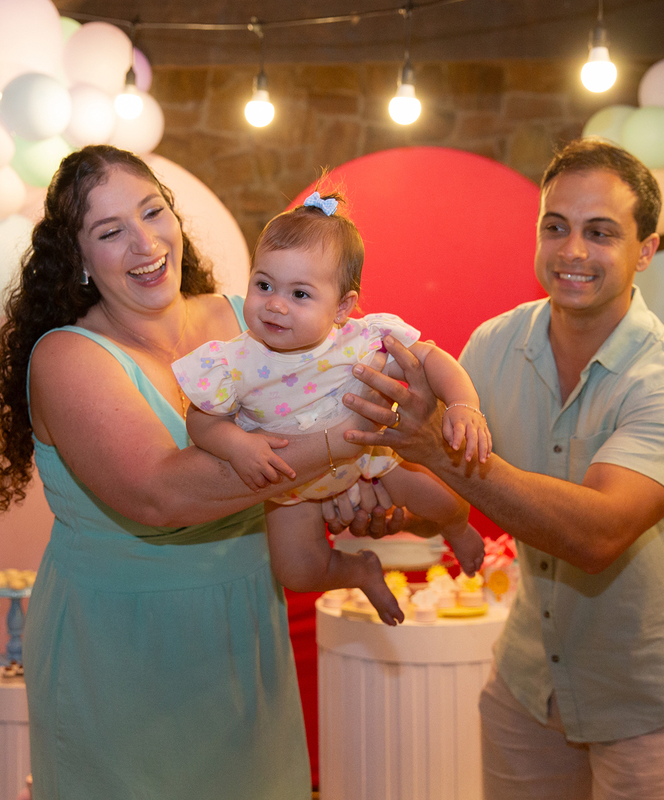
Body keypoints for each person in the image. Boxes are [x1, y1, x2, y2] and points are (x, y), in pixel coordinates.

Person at [0, 145, 388, 799]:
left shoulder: (245, 317)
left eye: (152, 212)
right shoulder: (68, 359)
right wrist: (341, 445)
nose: (145, 242)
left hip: (242, 623)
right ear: (80, 260)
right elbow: (159, 495)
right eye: (110, 231)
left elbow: (317, 422)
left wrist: (342, 491)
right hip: (117, 649)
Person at [342, 138, 664, 799]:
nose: (573, 251)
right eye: (556, 227)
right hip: (526, 683)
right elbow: (448, 479)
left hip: (644, 698)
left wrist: (429, 451)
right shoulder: (495, 344)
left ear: (647, 250)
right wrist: (400, 506)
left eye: (600, 233)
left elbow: (597, 535)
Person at [172, 190, 489, 626]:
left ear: (342, 307)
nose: (276, 304)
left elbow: (431, 357)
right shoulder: (233, 361)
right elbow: (201, 416)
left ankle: (456, 527)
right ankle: (359, 570)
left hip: (367, 457)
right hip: (293, 482)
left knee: (440, 499)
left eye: (300, 294)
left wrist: (462, 403)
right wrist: (234, 445)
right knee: (296, 571)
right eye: (264, 285)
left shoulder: (358, 340)